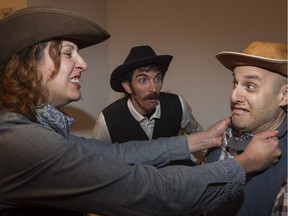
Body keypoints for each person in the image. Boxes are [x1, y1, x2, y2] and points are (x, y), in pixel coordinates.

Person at [0, 6, 281, 216]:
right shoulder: (16, 140)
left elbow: (116, 155)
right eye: (68, 53)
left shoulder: (32, 128)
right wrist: (243, 166)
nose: (83, 63)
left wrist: (203, 139)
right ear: (29, 63)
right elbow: (147, 189)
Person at [204, 41, 287, 216]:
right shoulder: (220, 136)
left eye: (250, 86)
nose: (234, 96)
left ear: (284, 96)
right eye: (235, 83)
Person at [92, 45, 204, 164]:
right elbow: (98, 162)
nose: (153, 89)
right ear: (128, 87)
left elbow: (197, 135)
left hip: (175, 177)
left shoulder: (177, 104)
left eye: (157, 79)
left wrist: (205, 161)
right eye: (143, 80)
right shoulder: (108, 119)